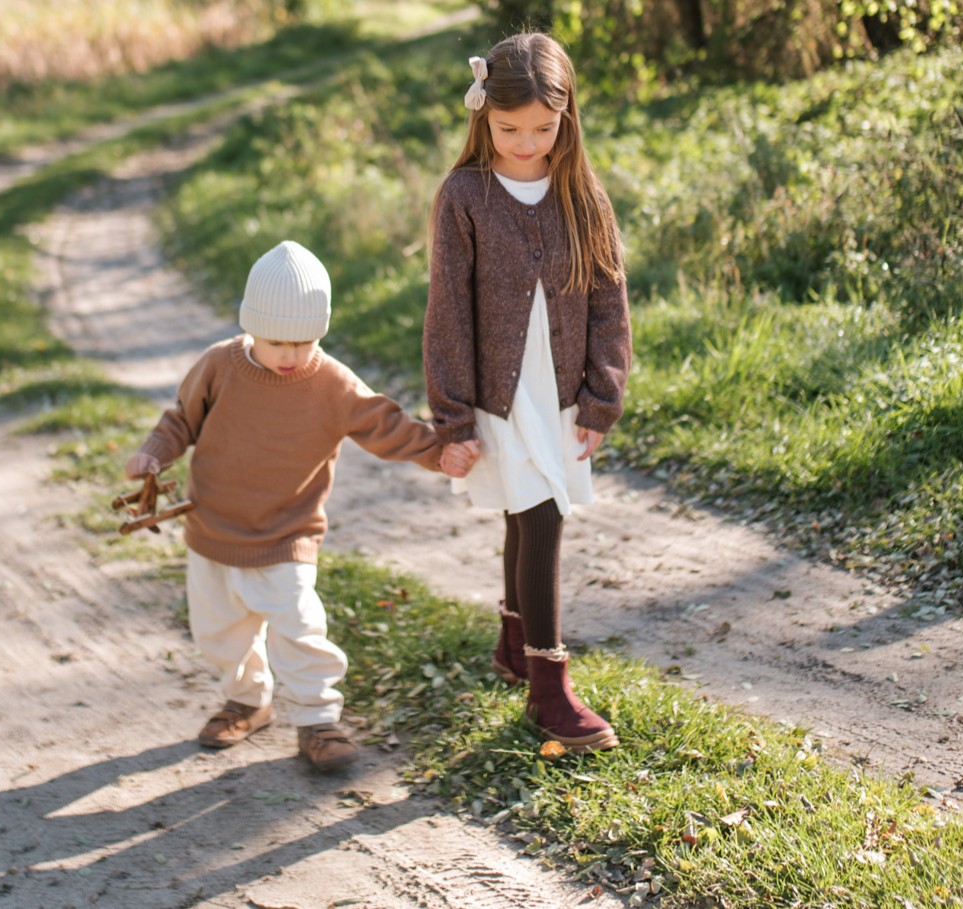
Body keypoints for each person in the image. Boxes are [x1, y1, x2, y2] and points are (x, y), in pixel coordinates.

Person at [127, 240, 475, 772]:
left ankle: (318, 720)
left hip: (288, 532)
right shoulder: (218, 366)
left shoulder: (332, 383)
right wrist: (154, 453)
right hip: (212, 529)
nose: (291, 356)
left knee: (299, 627)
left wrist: (439, 452)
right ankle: (247, 702)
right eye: (276, 342)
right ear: (251, 327)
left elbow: (387, 426)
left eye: (304, 341)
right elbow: (181, 420)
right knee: (219, 633)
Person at [423, 33, 631, 753]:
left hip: (562, 391)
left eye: (543, 128)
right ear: (482, 116)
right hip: (500, 397)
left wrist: (602, 397)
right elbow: (448, 313)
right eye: (509, 128)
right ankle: (549, 687)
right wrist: (452, 419)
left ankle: (514, 646)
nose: (526, 143)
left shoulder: (582, 195)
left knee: (528, 511)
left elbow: (609, 300)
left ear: (566, 117)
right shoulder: (465, 197)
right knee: (540, 514)